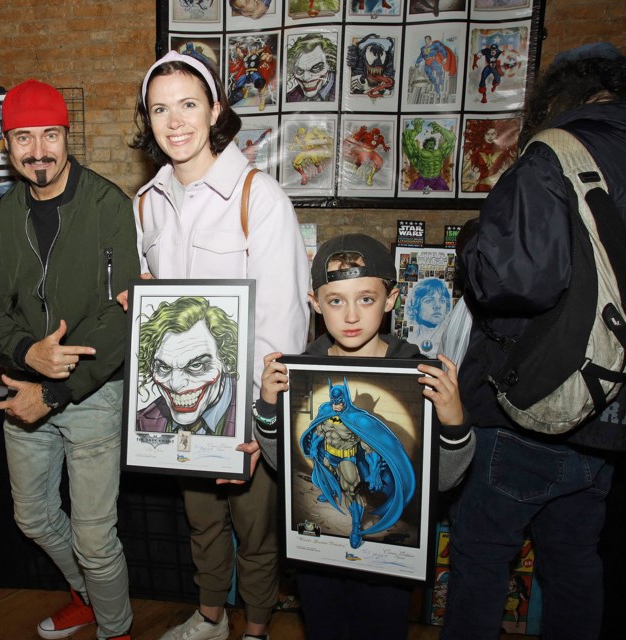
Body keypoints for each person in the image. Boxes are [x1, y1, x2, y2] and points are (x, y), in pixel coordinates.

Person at [442, 42, 626, 640]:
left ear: (557, 99)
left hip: (532, 404)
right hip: (611, 411)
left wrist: (471, 253)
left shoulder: (555, 154)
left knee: (482, 557)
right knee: (574, 562)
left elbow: (515, 279)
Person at [129, 50, 310, 640]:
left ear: (214, 112)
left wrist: (259, 425)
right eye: (160, 108)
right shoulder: (146, 203)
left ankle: (255, 628)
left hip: (246, 407)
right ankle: (210, 617)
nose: (174, 120)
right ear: (148, 120)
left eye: (187, 104)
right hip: (183, 400)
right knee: (201, 522)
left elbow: (282, 322)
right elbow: (152, 302)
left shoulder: (260, 197)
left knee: (255, 530)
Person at [0, 79, 138, 640]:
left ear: (67, 136)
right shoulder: (2, 214)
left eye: (50, 135)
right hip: (22, 386)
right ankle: (86, 596)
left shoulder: (109, 204)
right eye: (23, 137)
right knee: (32, 517)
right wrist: (26, 352)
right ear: (7, 145)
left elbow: (123, 313)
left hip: (91, 391)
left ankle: (117, 629)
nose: (38, 150)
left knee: (94, 536)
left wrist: (57, 387)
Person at [252, 234, 474, 639]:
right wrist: (268, 408)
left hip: (388, 564)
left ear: (390, 299)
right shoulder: (303, 370)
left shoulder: (418, 371)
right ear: (315, 303)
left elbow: (443, 480)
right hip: (318, 558)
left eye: (366, 299)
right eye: (336, 300)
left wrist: (455, 422)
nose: (351, 315)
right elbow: (280, 462)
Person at [135, 297, 239, 436]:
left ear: (225, 360)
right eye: (164, 368)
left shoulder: (248, 412)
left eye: (196, 366)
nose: (176, 384)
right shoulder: (141, 424)